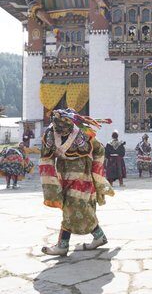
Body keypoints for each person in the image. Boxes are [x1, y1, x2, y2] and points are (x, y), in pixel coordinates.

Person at [39, 109, 114, 256]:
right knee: (78, 209)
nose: (62, 131)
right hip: (64, 176)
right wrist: (51, 185)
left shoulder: (82, 133)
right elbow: (46, 158)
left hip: (82, 176)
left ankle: (62, 245)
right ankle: (99, 236)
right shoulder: (50, 134)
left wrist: (96, 173)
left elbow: (99, 150)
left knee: (72, 207)